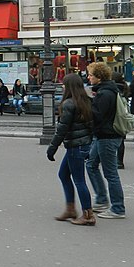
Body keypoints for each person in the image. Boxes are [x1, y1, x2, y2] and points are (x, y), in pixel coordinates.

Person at [46, 73, 94, 225]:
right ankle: (71, 208)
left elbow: (62, 128)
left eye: (64, 84)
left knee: (79, 180)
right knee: (64, 174)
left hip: (75, 145)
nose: (62, 86)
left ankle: (88, 215)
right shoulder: (86, 101)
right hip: (83, 144)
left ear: (69, 87)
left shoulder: (68, 104)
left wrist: (52, 147)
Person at [85, 61, 126, 219]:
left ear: (99, 77)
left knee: (110, 173)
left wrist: (88, 100)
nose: (88, 77)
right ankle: (102, 199)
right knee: (91, 165)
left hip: (107, 136)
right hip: (104, 135)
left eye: (91, 75)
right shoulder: (106, 90)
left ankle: (117, 208)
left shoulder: (105, 93)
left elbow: (97, 115)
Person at [113, 72, 130, 169]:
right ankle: (120, 161)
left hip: (115, 116)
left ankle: (113, 160)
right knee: (121, 141)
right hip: (123, 116)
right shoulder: (125, 87)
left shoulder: (114, 88)